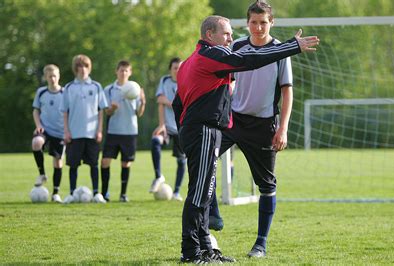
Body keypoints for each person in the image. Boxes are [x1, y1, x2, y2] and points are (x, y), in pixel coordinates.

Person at [172, 15, 319, 263]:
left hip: (201, 131)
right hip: (204, 131)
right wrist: (291, 47)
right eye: (226, 33)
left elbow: (178, 103)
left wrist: (183, 132)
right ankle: (191, 252)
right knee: (199, 194)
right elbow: (249, 60)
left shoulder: (190, 61)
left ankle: (206, 248)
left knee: (205, 193)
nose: (231, 38)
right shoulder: (212, 55)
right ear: (209, 35)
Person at [211, 0, 302, 258]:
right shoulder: (237, 46)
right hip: (233, 120)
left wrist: (282, 129)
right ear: (247, 23)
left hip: (263, 125)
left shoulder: (281, 51)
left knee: (266, 185)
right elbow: (223, 77)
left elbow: (287, 92)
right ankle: (213, 211)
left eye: (263, 22)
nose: (258, 27)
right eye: (253, 22)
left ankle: (261, 243)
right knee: (204, 156)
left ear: (271, 22)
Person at [61, 54, 108, 204]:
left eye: (85, 66)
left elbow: (101, 111)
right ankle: (72, 193)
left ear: (89, 68)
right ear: (75, 69)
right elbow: (65, 112)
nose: (83, 69)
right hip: (74, 134)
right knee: (73, 165)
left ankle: (96, 193)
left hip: (92, 133)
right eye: (79, 66)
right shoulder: (69, 88)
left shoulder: (96, 86)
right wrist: (66, 131)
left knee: (94, 164)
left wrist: (99, 130)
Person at [100, 60, 146, 202]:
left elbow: (139, 113)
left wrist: (143, 102)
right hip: (113, 131)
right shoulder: (109, 89)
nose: (124, 73)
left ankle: (123, 195)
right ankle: (104, 194)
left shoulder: (136, 89)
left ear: (130, 72)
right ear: (117, 71)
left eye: (126, 70)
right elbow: (107, 112)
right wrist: (112, 108)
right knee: (105, 161)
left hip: (130, 131)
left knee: (126, 163)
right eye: (121, 70)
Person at [149, 57, 187, 201]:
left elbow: (183, 104)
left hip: (182, 127)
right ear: (170, 69)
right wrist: (161, 124)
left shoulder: (187, 80)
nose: (178, 70)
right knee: (155, 141)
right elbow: (159, 101)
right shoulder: (164, 81)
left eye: (180, 68)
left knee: (181, 160)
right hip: (167, 126)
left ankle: (177, 191)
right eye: (175, 68)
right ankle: (159, 176)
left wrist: (170, 103)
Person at [31, 64, 65, 203]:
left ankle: (56, 193)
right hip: (45, 129)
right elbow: (35, 110)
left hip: (60, 132)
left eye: (55, 76)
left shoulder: (65, 92)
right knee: (36, 142)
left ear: (58, 76)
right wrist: (38, 125)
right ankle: (42, 174)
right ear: (46, 77)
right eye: (49, 76)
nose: (52, 78)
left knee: (58, 163)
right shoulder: (41, 92)